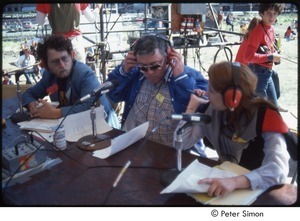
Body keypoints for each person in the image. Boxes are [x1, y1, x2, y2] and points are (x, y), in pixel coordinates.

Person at [179, 61, 290, 197]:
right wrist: (191, 108)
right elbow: (182, 143)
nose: (207, 94)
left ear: (232, 97)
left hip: (259, 189)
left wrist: (235, 182)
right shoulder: (213, 110)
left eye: (212, 90)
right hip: (224, 181)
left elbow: (278, 170)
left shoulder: (265, 115)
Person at [106, 34, 208, 147]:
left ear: (169, 57)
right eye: (143, 67)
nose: (149, 72)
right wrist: (123, 71)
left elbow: (201, 110)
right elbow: (114, 95)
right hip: (140, 148)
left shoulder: (191, 77)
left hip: (175, 151)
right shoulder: (136, 74)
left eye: (155, 66)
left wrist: (180, 78)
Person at [21, 34, 120, 129]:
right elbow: (28, 94)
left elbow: (89, 107)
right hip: (74, 127)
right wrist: (32, 104)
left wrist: (54, 113)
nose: (62, 65)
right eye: (55, 62)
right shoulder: (49, 76)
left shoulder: (85, 74)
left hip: (105, 128)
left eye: (65, 59)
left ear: (72, 55)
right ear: (46, 65)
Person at [244, 3, 284, 108]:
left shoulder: (270, 28)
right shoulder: (258, 31)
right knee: (260, 110)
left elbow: (268, 48)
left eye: (275, 14)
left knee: (273, 108)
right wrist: (271, 57)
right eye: (268, 13)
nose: (272, 17)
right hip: (258, 73)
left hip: (267, 73)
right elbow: (248, 57)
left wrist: (275, 54)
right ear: (262, 13)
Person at [36, 3, 101, 63]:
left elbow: (40, 21)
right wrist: (98, 7)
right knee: (80, 71)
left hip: (57, 43)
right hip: (75, 41)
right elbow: (92, 18)